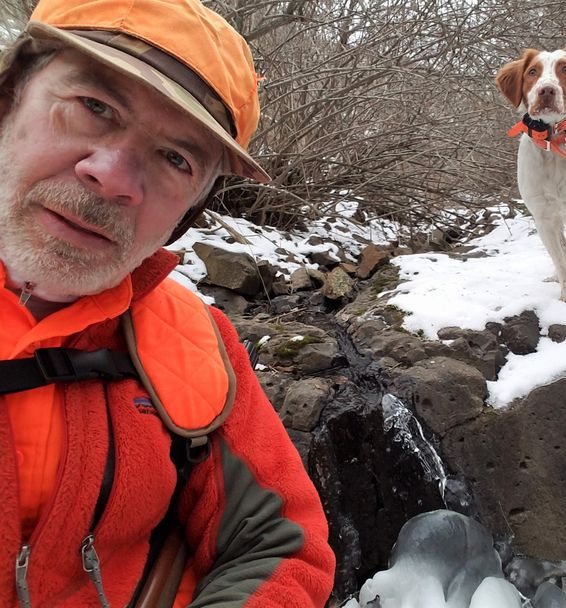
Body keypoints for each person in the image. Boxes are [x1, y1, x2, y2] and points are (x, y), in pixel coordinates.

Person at [0, 0, 335, 606]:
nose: (115, 176)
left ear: (190, 212)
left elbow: (281, 546)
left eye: (175, 158)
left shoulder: (197, 344)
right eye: (93, 108)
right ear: (8, 102)